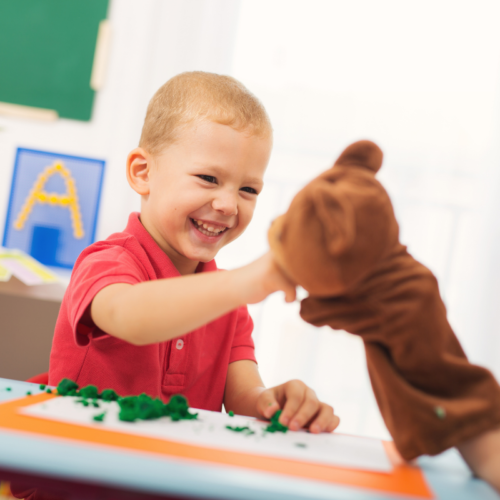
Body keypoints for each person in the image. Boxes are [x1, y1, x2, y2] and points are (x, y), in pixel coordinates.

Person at [48, 71, 339, 434]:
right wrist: (246, 282)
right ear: (142, 173)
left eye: (248, 189)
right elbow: (129, 315)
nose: (228, 204)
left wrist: (275, 403)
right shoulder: (107, 262)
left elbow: (244, 395)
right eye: (208, 178)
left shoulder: (229, 301)